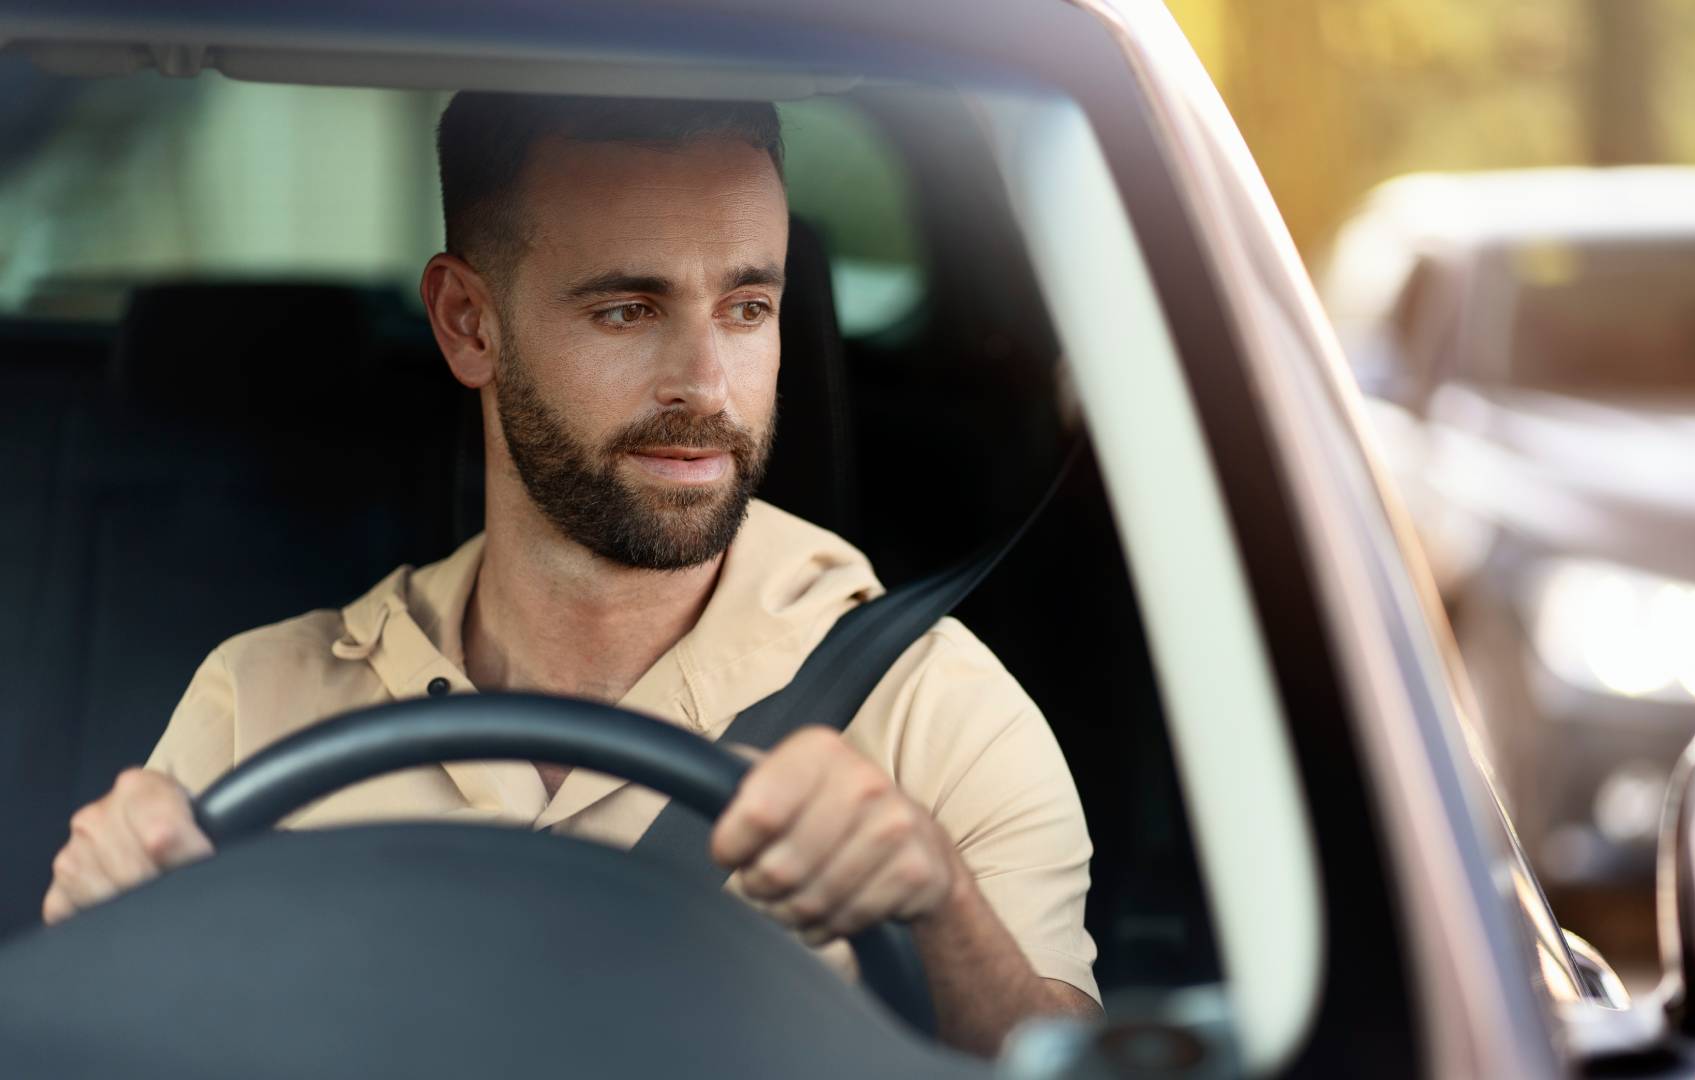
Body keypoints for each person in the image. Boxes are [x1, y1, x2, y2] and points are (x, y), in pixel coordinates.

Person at [40, 93, 1097, 1055]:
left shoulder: (936, 711)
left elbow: (1071, 1063)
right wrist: (98, 924)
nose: (706, 386)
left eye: (747, 308)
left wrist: (938, 906)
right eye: (628, 309)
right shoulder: (259, 702)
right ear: (468, 323)